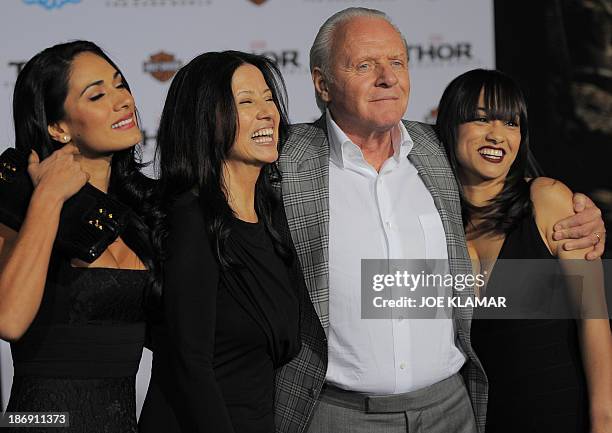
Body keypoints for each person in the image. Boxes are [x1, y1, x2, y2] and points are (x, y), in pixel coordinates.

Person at [271, 7, 607, 433]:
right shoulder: (285, 160)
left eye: (396, 62)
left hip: (456, 409)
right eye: (365, 65)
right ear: (322, 83)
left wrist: (581, 212)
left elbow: (588, 309)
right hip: (340, 413)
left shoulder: (436, 152)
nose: (387, 77)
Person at [436, 68, 612, 432]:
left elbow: (594, 321)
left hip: (562, 413)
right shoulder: (434, 219)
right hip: (478, 419)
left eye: (511, 124)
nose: (497, 135)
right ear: (450, 125)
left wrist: (604, 421)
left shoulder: (547, 199)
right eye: (481, 119)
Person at [138, 51, 303, 433]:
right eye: (245, 102)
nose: (267, 112)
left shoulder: (273, 219)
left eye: (268, 98)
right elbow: (190, 365)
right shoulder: (192, 219)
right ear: (204, 122)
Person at [0, 41, 157, 432]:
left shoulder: (147, 209)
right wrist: (48, 197)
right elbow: (9, 320)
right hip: (37, 421)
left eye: (121, 85)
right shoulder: (15, 203)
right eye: (98, 94)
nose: (122, 101)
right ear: (58, 128)